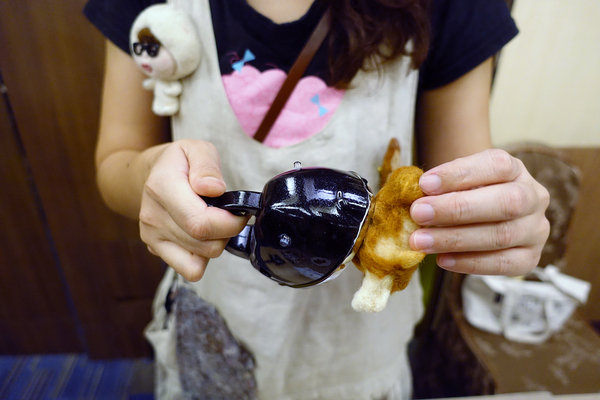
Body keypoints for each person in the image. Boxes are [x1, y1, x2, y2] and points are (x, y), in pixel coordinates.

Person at [84, 0, 550, 399]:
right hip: (216, 315)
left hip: (359, 347)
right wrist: (150, 174)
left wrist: (495, 218)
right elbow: (115, 162)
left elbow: (458, 185)